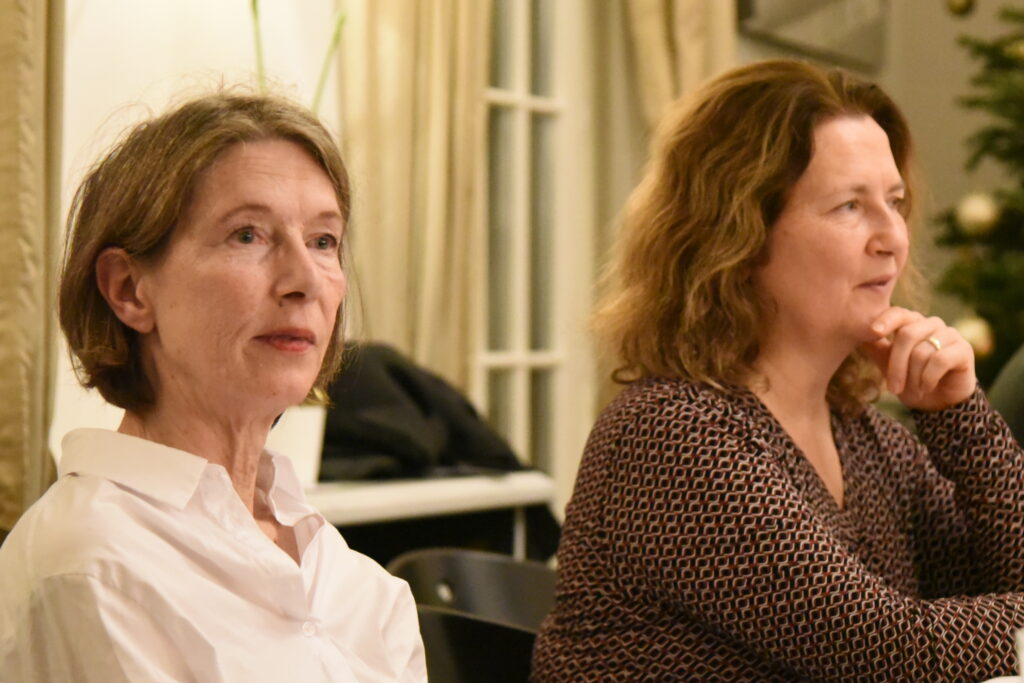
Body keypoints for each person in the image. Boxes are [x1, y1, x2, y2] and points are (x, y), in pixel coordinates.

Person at [532, 59, 1024, 681]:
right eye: (849, 206)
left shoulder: (865, 436)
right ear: (739, 236)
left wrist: (962, 418)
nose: (893, 238)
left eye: (895, 203)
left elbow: (997, 586)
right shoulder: (671, 435)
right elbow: (884, 652)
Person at [0, 92, 426, 682]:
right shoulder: (92, 567)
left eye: (323, 240)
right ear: (128, 290)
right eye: (247, 235)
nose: (305, 279)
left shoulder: (359, 584)